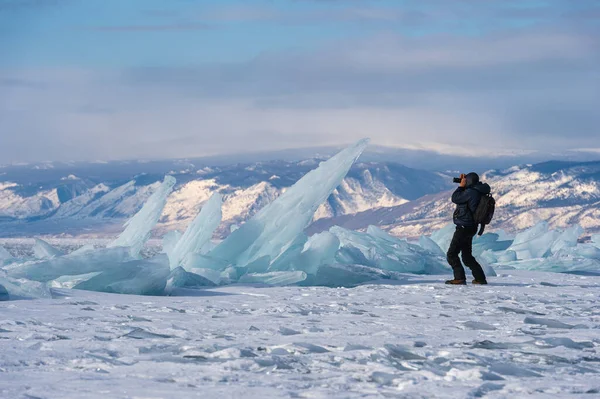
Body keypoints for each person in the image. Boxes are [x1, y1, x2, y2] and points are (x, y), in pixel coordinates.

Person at [445, 172, 490, 285]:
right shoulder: (478, 191)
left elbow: (455, 198)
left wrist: (460, 186)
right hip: (471, 226)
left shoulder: (471, 192)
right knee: (466, 256)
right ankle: (480, 278)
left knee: (452, 254)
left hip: (464, 227)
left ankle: (459, 278)